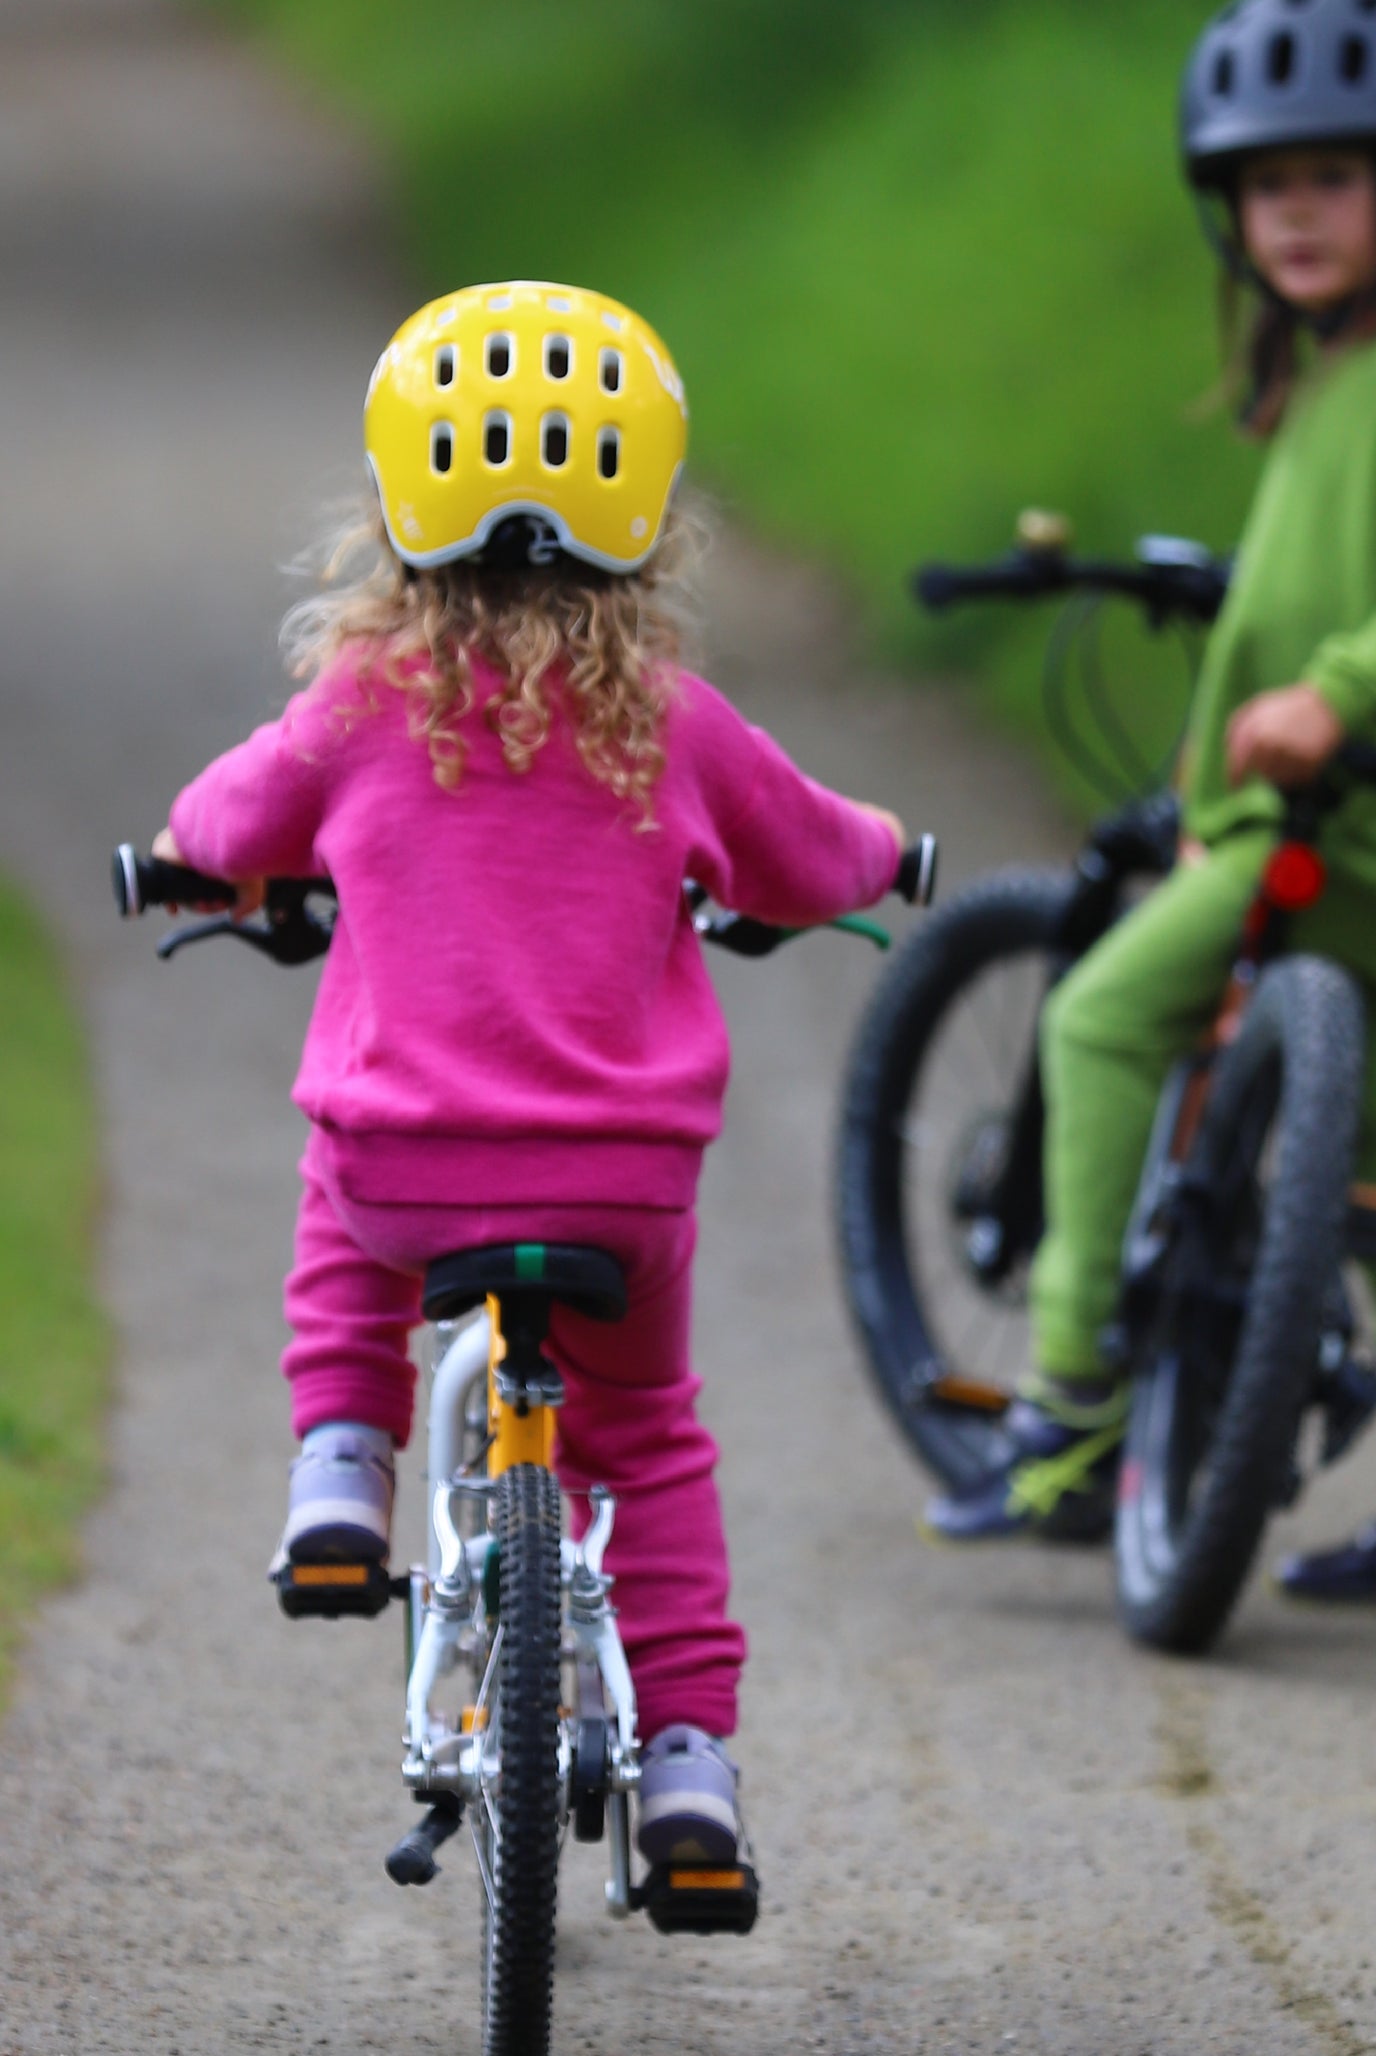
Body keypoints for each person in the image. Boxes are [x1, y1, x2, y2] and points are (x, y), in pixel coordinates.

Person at [155, 280, 905, 1866]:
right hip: (623, 1199)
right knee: (650, 1437)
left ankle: (342, 1462)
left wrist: (174, 863)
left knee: (336, 1171)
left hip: (410, 1183)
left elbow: (226, 828)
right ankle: (693, 1764)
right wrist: (895, 856)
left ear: (398, 509)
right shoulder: (676, 725)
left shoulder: (362, 705)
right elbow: (811, 850)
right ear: (648, 520)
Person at [927, 0, 1376, 1607]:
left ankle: (1067, 1404)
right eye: (1265, 188)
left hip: (1335, 830)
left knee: (1103, 1017)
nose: (1293, 216)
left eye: (1331, 181)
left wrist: (1335, 687)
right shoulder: (1348, 366)